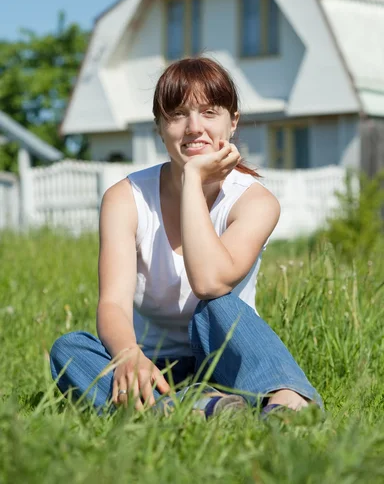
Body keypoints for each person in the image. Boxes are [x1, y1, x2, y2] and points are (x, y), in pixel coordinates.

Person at [50, 57, 322, 417]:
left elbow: (209, 282)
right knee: (69, 349)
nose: (194, 127)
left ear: (233, 121)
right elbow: (113, 303)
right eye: (178, 114)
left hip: (228, 360)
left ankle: (287, 403)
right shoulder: (124, 198)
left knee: (216, 308)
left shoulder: (254, 201)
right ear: (160, 126)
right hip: (151, 364)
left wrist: (192, 180)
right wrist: (129, 355)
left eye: (209, 112)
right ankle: (189, 407)